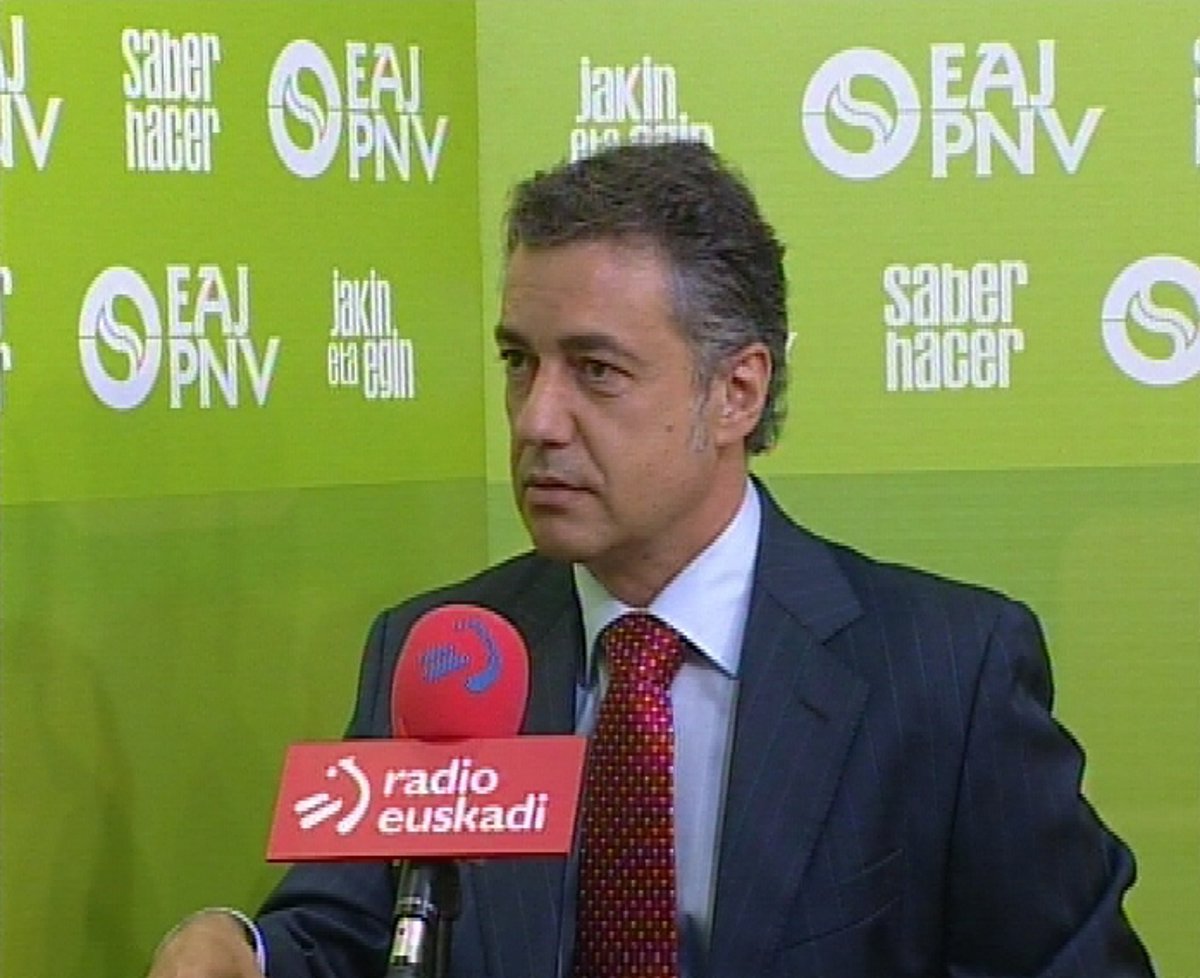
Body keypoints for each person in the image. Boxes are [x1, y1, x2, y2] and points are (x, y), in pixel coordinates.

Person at [146, 141, 1156, 978]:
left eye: (596, 370)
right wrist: (244, 951)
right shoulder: (446, 655)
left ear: (736, 393)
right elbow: (355, 937)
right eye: (519, 363)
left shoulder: (944, 673)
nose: (537, 420)